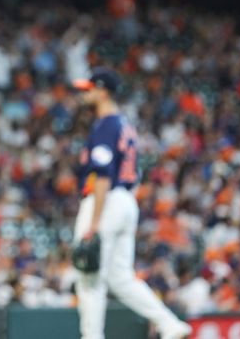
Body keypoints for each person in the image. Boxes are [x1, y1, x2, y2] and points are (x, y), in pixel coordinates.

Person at [72, 68, 192, 339]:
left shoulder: (105, 124)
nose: (85, 93)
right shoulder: (124, 124)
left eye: (89, 88)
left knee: (90, 277)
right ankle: (169, 324)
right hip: (126, 200)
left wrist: (94, 223)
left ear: (103, 91)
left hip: (105, 200)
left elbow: (102, 174)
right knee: (120, 277)